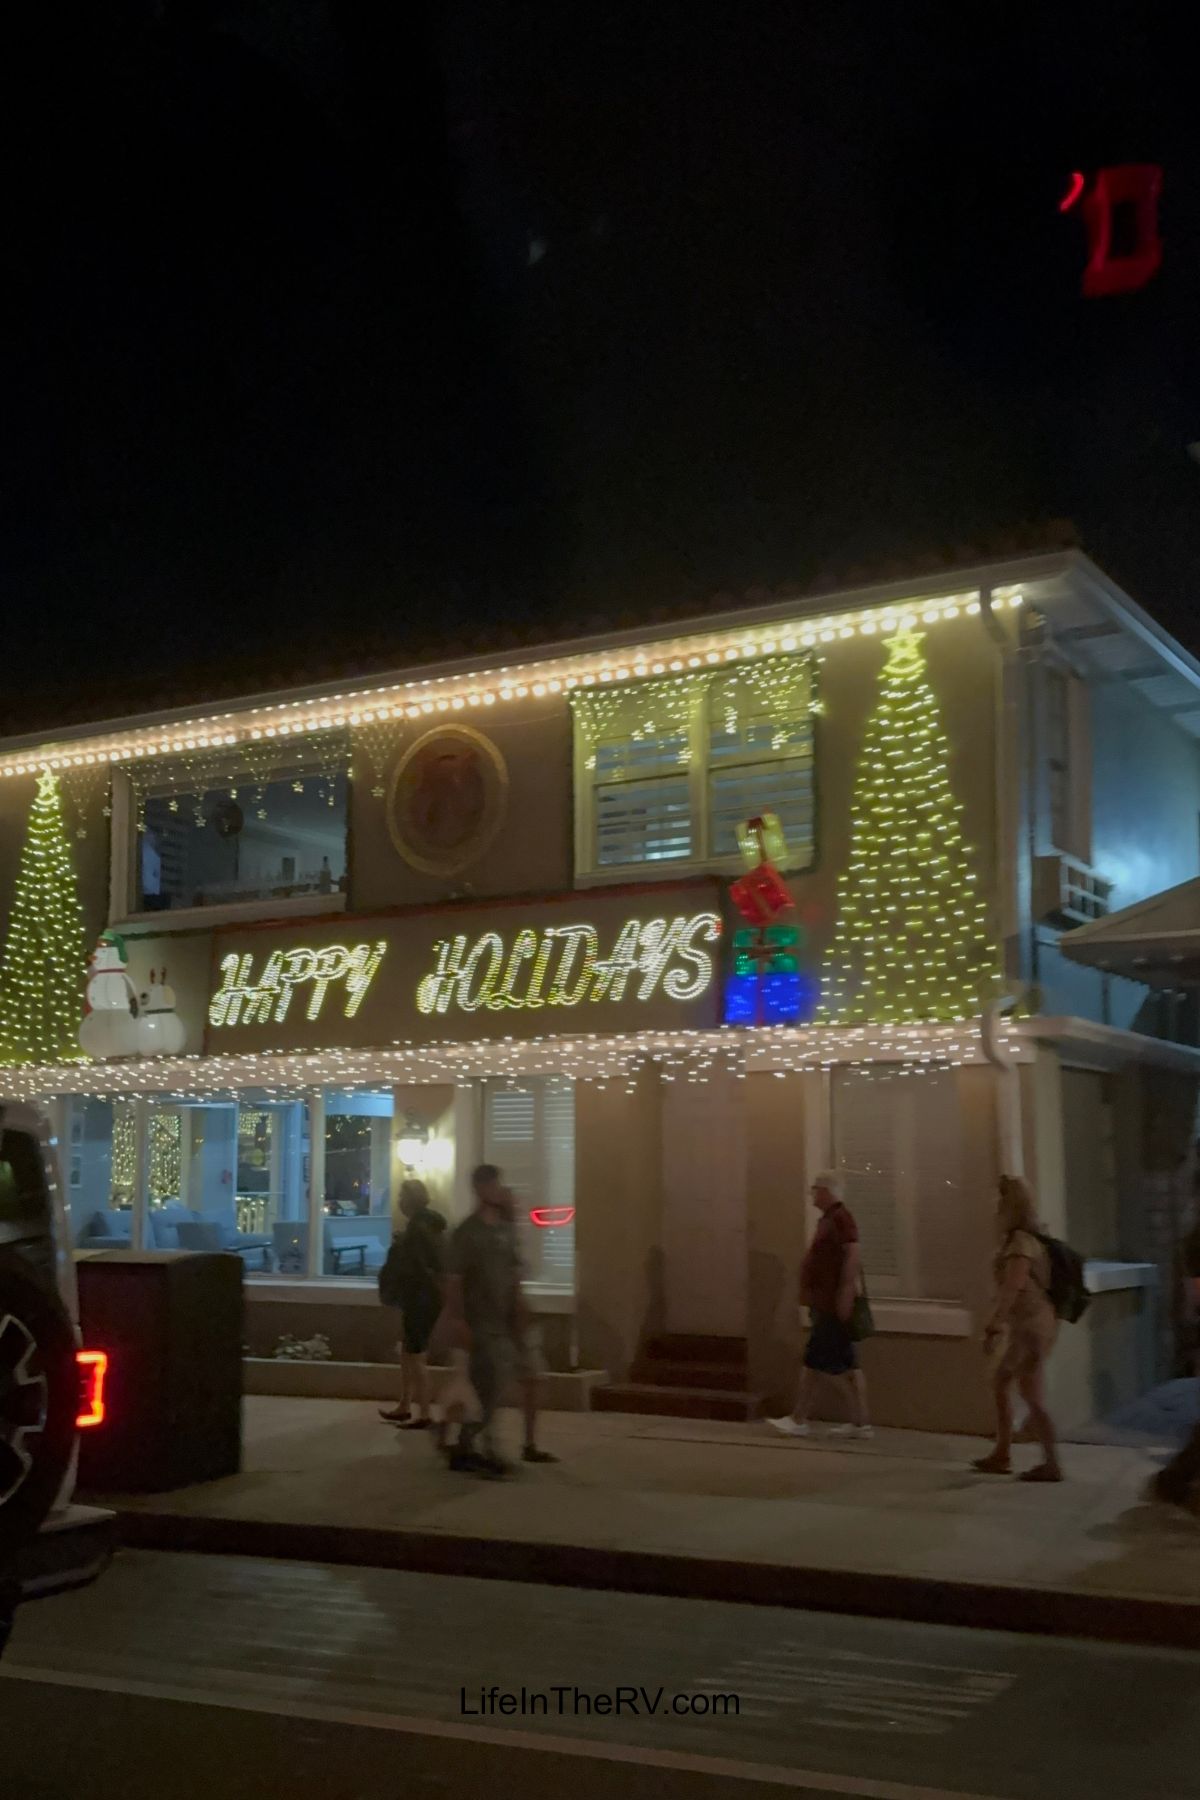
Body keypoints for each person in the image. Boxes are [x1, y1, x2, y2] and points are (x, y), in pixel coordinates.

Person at [443, 1164, 557, 1475]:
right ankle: (469, 1445)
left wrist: (520, 1308)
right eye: (491, 1185)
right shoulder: (467, 1233)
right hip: (481, 1320)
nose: (497, 1190)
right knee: (487, 1384)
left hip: (506, 1319)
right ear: (480, 1188)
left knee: (506, 1381)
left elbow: (514, 1273)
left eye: (498, 1184)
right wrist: (458, 1321)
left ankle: (476, 1442)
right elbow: (454, 1280)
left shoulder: (504, 1231)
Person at [767, 1171, 872, 1440]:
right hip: (826, 1302)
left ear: (826, 1191)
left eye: (815, 1188)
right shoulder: (830, 1220)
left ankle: (799, 1419)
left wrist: (844, 1296)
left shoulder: (840, 1219)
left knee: (813, 1363)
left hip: (831, 1305)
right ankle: (860, 1423)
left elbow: (851, 1256)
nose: (812, 1193)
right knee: (847, 1365)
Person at [973, 1175, 1062, 1483]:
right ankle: (1004, 1452)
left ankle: (1050, 1462)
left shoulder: (1022, 1243)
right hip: (1029, 1325)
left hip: (1031, 1327)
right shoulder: (1021, 1239)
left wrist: (994, 1323)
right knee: (1003, 1382)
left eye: (999, 1202)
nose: (994, 1208)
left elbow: (1014, 1285)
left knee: (1031, 1393)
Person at [378, 1178, 446, 1428]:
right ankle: (405, 1405)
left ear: (411, 1200)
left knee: (416, 1355)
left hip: (420, 1298)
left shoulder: (419, 1229)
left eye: (400, 1197)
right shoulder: (427, 1226)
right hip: (422, 1297)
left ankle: (425, 1413)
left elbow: (419, 1266)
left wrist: (401, 1249)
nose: (398, 1202)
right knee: (409, 1352)